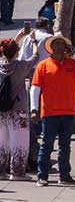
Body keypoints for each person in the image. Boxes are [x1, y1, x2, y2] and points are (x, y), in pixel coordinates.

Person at [30, 34, 75, 186]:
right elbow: (35, 88)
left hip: (68, 111)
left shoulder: (72, 63)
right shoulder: (43, 65)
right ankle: (42, 176)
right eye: (56, 44)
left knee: (65, 146)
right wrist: (34, 108)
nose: (59, 47)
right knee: (47, 145)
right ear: (51, 48)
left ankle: (64, 176)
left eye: (61, 45)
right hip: (50, 112)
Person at [0, 39, 37, 179]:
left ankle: (0, 171)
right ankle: (17, 172)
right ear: (17, 52)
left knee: (2, 141)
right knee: (19, 141)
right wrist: (33, 42)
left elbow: (6, 53)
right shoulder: (21, 66)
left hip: (1, 111)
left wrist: (18, 36)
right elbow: (35, 56)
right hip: (18, 110)